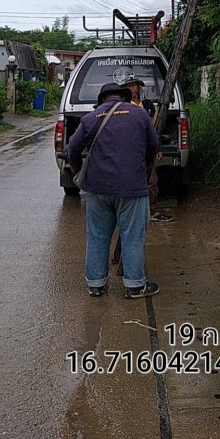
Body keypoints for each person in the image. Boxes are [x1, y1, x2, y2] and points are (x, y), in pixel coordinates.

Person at [68, 82, 160, 299]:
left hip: (97, 188)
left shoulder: (91, 118)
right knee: (132, 235)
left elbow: (73, 146)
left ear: (102, 99)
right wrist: (142, 172)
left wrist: (76, 167)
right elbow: (153, 146)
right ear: (124, 97)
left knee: (97, 235)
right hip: (132, 188)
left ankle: (96, 285)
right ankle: (135, 286)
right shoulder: (139, 115)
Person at [122, 77, 173, 223]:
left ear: (139, 87)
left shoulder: (148, 105)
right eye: (128, 86)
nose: (132, 88)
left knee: (151, 180)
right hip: (129, 148)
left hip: (146, 148)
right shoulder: (123, 106)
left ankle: (153, 210)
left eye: (134, 86)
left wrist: (158, 147)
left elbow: (153, 129)